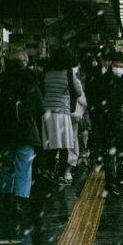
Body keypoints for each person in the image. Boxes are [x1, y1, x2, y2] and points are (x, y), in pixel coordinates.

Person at [0, 56, 43, 214]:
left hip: (7, 134)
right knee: (23, 168)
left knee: (8, 166)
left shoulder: (3, 87)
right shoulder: (31, 86)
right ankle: (19, 201)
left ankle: (6, 198)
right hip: (26, 134)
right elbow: (40, 109)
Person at [41, 46, 83, 183]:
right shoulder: (69, 74)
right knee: (64, 145)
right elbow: (78, 92)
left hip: (47, 111)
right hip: (62, 112)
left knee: (51, 144)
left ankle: (48, 170)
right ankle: (60, 174)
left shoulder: (47, 72)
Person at [102, 52, 123, 197]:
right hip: (113, 122)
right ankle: (113, 184)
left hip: (119, 123)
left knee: (116, 154)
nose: (117, 68)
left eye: (120, 66)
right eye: (115, 66)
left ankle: (118, 183)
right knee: (115, 154)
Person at [85, 49, 113, 170]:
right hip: (96, 109)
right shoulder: (93, 72)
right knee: (96, 135)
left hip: (110, 110)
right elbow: (88, 90)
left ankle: (105, 159)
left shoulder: (115, 72)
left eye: (110, 60)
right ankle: (97, 159)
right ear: (101, 60)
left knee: (107, 136)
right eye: (105, 60)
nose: (108, 63)